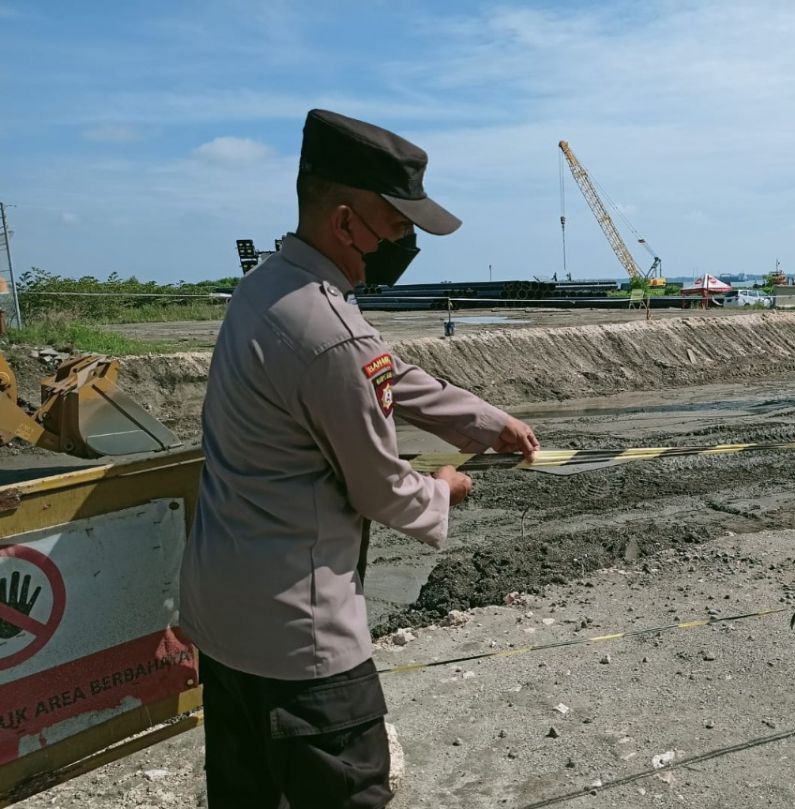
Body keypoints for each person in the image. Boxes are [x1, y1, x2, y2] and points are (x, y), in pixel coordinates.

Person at [179, 109, 540, 809]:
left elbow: (386, 373)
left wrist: (487, 420)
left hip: (225, 623)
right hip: (303, 648)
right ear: (347, 223)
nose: (405, 243)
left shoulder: (266, 289)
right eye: (398, 226)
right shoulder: (333, 333)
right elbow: (384, 490)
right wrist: (443, 488)